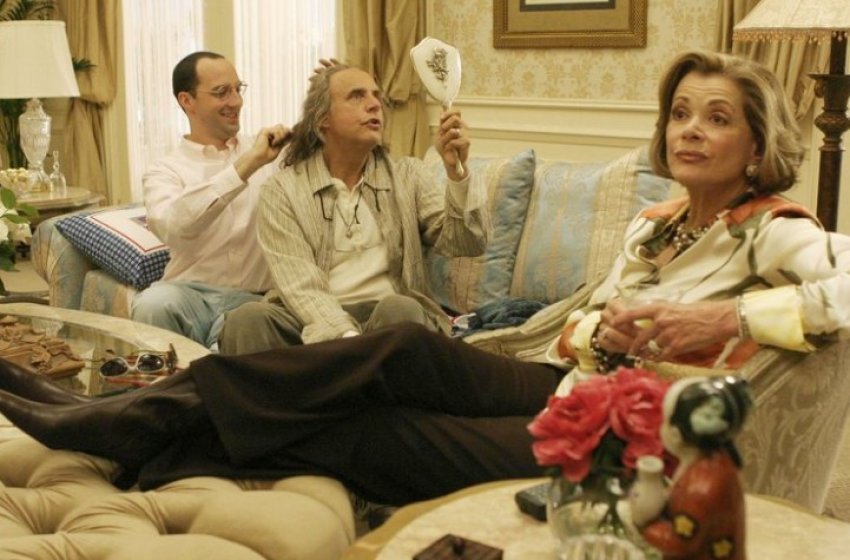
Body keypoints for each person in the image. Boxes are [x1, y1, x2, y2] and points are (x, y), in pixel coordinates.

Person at [1, 49, 849, 508]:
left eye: (717, 117)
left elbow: (839, 292)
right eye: (681, 113)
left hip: (626, 430)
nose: (690, 129)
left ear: (756, 142)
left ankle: (142, 433)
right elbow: (584, 325)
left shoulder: (772, 229)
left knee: (374, 427)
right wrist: (599, 326)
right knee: (401, 349)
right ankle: (130, 418)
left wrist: (728, 323)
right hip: (562, 378)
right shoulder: (658, 223)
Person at [217, 63, 489, 354]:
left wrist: (456, 171)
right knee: (246, 320)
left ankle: (333, 379)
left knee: (402, 309)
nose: (374, 105)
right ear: (322, 120)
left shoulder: (408, 175)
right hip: (309, 320)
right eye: (357, 96)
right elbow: (301, 286)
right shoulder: (282, 190)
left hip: (386, 319)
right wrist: (346, 339)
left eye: (376, 96)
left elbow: (469, 242)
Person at [131, 51, 290, 349]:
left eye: (237, 89)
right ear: (187, 100)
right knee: (151, 304)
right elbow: (175, 226)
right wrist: (247, 165)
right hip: (187, 295)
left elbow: (327, 153)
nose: (236, 101)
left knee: (248, 323)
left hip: (255, 298)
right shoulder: (164, 170)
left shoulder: (272, 153)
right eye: (221, 92)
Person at [630, 376, 753, 560]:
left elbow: (679, 541)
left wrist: (644, 526)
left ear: (675, 433)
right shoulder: (715, 461)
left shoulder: (700, 488)